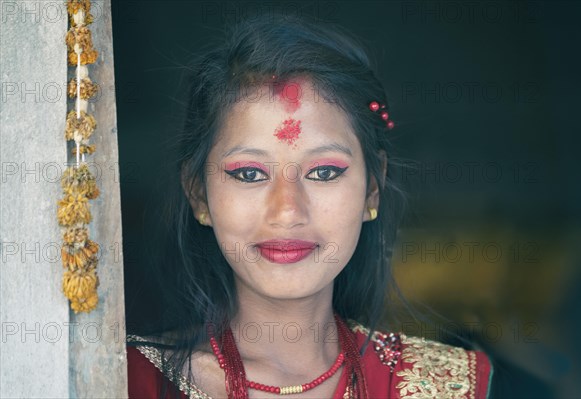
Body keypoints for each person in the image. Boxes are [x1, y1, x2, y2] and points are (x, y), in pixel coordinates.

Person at [126, 13, 493, 399]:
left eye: (323, 172)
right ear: (199, 193)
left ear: (372, 188)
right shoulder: (125, 380)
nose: (287, 211)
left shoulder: (443, 385)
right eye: (250, 174)